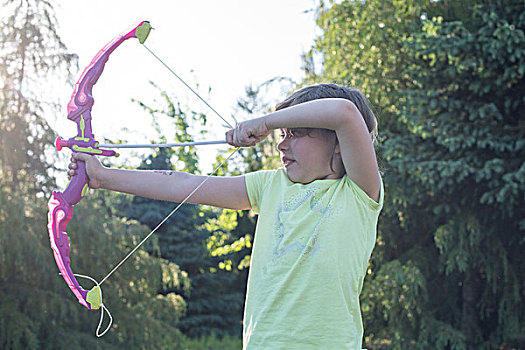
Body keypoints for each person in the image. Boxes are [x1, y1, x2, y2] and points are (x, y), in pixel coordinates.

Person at [69, 83, 383, 349]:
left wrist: (265, 122)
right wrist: (103, 177)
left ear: (339, 143)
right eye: (282, 133)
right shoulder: (270, 186)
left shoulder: (359, 192)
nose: (281, 143)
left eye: (295, 133)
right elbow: (184, 184)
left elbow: (344, 113)